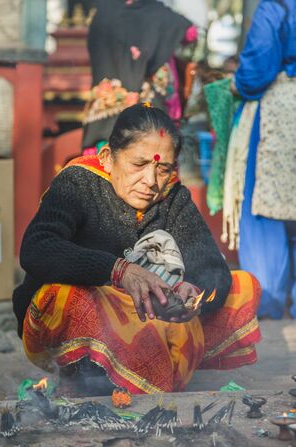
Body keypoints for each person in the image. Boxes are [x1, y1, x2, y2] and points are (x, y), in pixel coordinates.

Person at [13, 104, 261, 395]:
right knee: (64, 296)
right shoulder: (78, 182)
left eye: (163, 168)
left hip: (152, 318)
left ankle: (149, 370)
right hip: (90, 315)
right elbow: (38, 248)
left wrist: (191, 293)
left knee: (240, 287)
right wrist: (118, 271)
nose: (150, 181)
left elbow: (211, 266)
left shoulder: (171, 196)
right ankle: (82, 376)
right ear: (107, 158)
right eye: (138, 164)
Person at [230, 0, 296, 319]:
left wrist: (238, 83)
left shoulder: (276, 6)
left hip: (281, 107)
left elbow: (257, 69)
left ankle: (267, 297)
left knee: (264, 211)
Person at [82, 0, 197, 154]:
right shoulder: (159, 13)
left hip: (105, 114)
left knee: (104, 160)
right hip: (152, 112)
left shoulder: (102, 11)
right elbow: (191, 33)